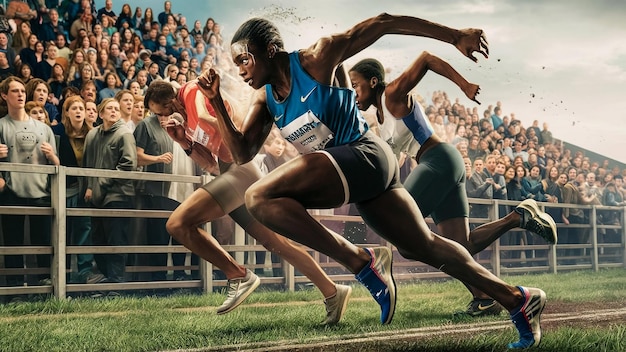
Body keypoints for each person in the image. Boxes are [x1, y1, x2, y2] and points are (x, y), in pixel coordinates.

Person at [199, 15, 547, 349]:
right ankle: (518, 299)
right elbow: (242, 152)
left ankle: (361, 262)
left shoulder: (317, 58)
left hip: (365, 155)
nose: (240, 68)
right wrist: (216, 103)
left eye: (244, 58)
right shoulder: (265, 99)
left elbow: (382, 23)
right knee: (421, 246)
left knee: (258, 197)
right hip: (355, 178)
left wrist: (453, 36)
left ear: (270, 49)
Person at [347, 54, 556, 317]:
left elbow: (425, 60)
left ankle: (488, 293)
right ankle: (516, 221)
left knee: (406, 238)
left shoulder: (392, 94)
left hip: (439, 160)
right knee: (461, 245)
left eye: (355, 84)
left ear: (373, 80)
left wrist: (464, 85)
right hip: (441, 164)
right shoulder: (378, 118)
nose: (352, 91)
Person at [151, 80, 351, 324]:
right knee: (279, 245)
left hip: (240, 170)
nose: (162, 120)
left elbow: (211, 120)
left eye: (161, 113)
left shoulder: (191, 91)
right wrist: (183, 141)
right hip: (232, 173)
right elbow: (212, 165)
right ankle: (333, 291)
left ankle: (238, 275)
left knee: (177, 224)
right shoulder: (188, 121)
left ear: (171, 102)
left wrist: (205, 117)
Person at [0, 77, 59, 301]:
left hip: (41, 192)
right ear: (5, 96)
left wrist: (52, 156)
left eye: (22, 91)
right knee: (13, 242)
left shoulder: (44, 128)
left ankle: (44, 288)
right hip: (12, 192)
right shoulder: (1, 126)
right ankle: (15, 290)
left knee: (43, 242)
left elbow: (56, 164)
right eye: (14, 91)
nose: (21, 94)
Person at [51, 95, 105, 284]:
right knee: (61, 232)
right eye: (74, 108)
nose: (79, 112)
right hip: (62, 189)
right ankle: (61, 274)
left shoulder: (93, 133)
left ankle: (85, 272)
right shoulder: (56, 132)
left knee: (84, 230)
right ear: (66, 113)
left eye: (81, 108)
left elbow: (95, 163)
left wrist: (91, 186)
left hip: (85, 190)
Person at [82, 98, 136, 283]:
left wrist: (100, 184)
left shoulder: (124, 134)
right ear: (101, 113)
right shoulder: (92, 135)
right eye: (109, 109)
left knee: (116, 240)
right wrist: (90, 186)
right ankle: (105, 278)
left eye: (116, 109)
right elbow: (88, 163)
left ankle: (116, 282)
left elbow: (128, 165)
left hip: (118, 194)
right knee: (99, 239)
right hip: (96, 196)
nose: (113, 111)